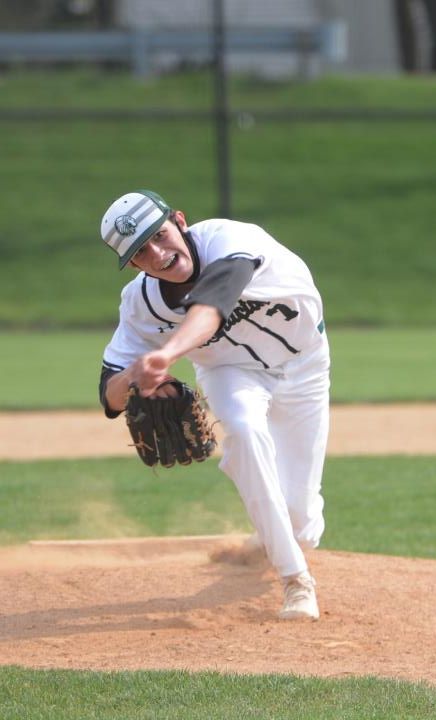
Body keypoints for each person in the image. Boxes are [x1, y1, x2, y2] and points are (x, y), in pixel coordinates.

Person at [98, 189, 331, 621]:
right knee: (242, 430)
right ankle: (296, 580)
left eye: (160, 235)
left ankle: (274, 538)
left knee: (301, 519)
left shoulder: (230, 239)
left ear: (180, 221)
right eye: (141, 251)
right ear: (133, 264)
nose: (158, 253)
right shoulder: (140, 304)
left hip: (305, 365)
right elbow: (108, 391)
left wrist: (165, 355)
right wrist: (134, 377)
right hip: (232, 372)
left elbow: (212, 305)